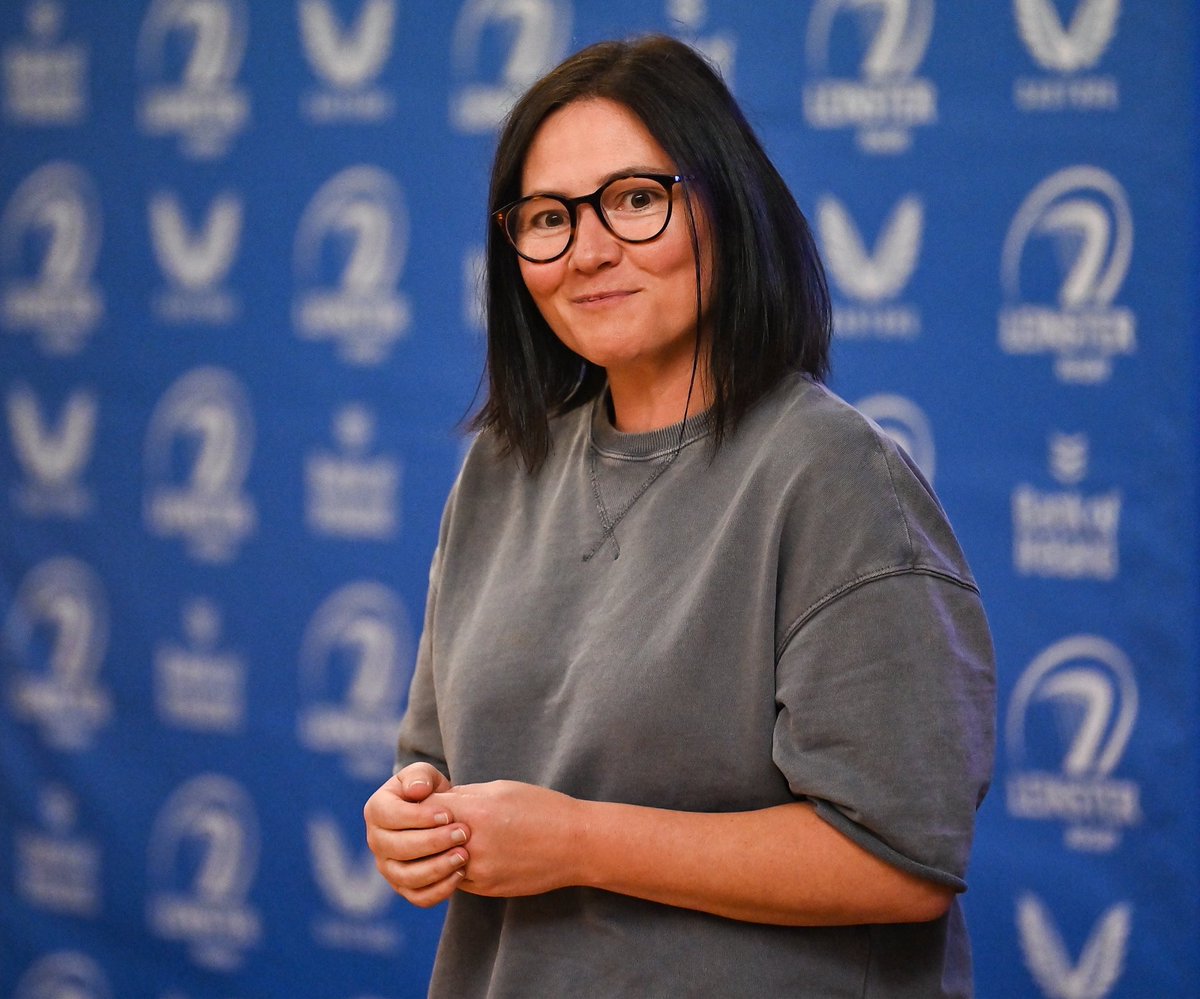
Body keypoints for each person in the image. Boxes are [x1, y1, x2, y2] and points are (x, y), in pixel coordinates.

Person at [364, 35, 995, 998]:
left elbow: (900, 857)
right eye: (547, 218)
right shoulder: (499, 469)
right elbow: (438, 772)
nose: (590, 250)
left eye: (634, 199)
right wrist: (413, 822)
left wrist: (577, 841)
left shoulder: (832, 475)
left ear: (726, 208)